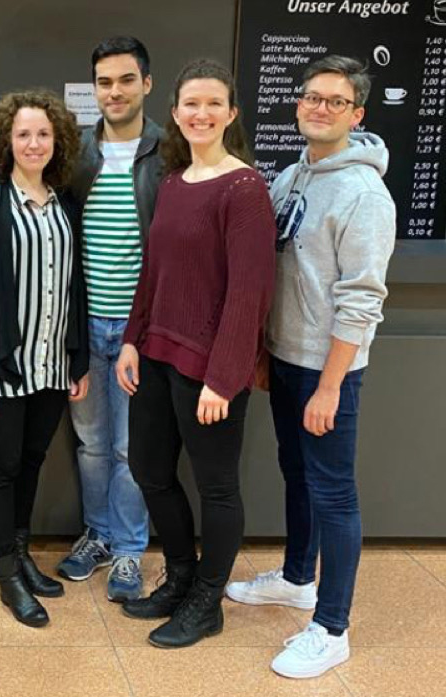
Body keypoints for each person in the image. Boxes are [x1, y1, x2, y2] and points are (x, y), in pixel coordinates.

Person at [225, 55, 396, 678]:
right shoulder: (293, 175)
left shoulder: (364, 195)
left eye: (335, 101)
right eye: (312, 97)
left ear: (357, 114)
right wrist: (267, 350)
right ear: (298, 104)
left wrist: (329, 385)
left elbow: (362, 299)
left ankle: (331, 627)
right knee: (296, 474)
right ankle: (298, 577)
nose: (320, 108)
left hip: (329, 371)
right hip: (287, 359)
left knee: (334, 493)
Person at [115, 58, 275, 648]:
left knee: (217, 488)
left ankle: (208, 600)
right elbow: (153, 271)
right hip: (157, 355)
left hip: (209, 368)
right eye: (191, 104)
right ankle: (180, 576)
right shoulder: (175, 181)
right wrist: (131, 339)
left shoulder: (245, 188)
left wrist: (224, 377)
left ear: (231, 113)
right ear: (176, 112)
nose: (200, 113)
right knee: (149, 470)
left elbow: (250, 292)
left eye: (213, 104)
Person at [0, 90, 89, 627]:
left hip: (53, 365)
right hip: (3, 367)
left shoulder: (66, 204)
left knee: (32, 461)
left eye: (43, 134)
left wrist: (78, 359)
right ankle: (6, 571)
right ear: (6, 141)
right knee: (0, 468)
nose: (33, 143)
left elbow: (76, 286)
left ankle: (20, 551)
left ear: (56, 141)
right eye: (23, 134)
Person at [58, 35, 164, 602]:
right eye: (104, 82)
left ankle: (128, 548)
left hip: (135, 333)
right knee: (92, 444)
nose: (114, 92)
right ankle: (98, 535)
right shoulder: (76, 153)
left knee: (129, 448)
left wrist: (143, 333)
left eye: (126, 80)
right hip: (84, 326)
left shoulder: (168, 153)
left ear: (146, 83)